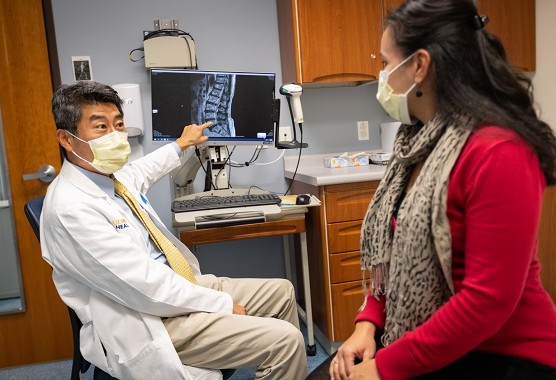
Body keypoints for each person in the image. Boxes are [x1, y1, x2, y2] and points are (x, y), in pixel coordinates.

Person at [325, 0, 556, 379]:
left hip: (503, 353)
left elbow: (487, 303)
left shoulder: (499, 150)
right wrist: (367, 323)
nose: (380, 75)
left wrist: (384, 367)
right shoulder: (417, 141)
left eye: (385, 63)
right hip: (434, 338)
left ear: (419, 65)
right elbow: (394, 254)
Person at [41, 80, 308, 379]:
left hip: (175, 290)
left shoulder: (110, 179)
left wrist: (182, 143)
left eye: (118, 124)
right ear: (66, 139)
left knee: (282, 292)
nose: (116, 136)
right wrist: (220, 304)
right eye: (101, 127)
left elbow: (142, 170)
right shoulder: (71, 208)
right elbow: (142, 287)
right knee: (285, 340)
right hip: (146, 316)